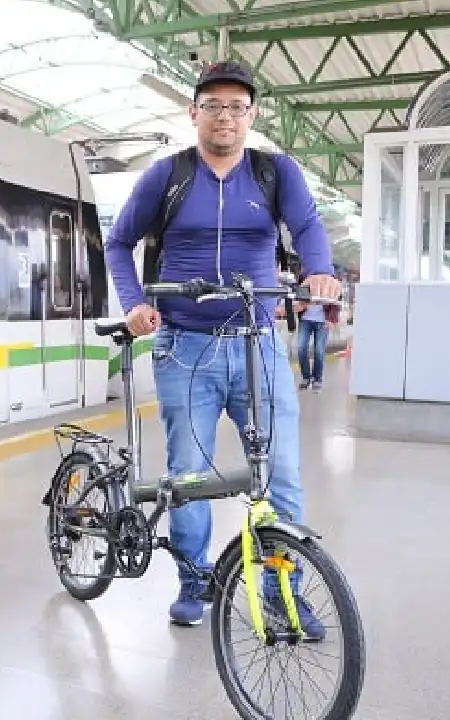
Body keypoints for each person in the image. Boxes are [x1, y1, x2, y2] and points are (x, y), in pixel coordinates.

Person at [103, 60, 341, 632]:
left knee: (279, 474)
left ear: (252, 115)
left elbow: (307, 228)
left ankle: (284, 589)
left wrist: (323, 271)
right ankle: (194, 579)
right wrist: (135, 304)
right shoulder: (166, 176)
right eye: (213, 106)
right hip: (185, 345)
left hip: (257, 344)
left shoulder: (275, 173)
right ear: (193, 114)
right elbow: (118, 242)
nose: (225, 117)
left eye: (237, 106)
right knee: (189, 472)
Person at [294, 267, 340, 392]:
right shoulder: (304, 277)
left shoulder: (331, 277)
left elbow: (336, 302)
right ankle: (306, 378)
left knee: (319, 351)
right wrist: (299, 306)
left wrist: (331, 319)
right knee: (301, 348)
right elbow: (300, 297)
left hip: (322, 321)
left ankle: (317, 379)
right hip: (306, 319)